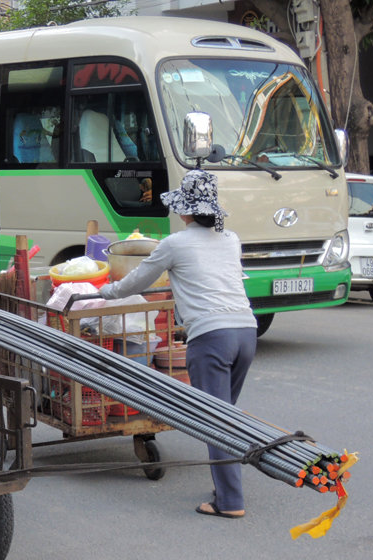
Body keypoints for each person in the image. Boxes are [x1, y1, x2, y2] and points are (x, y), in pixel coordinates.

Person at [98, 170, 258, 519]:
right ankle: (225, 487)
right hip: (246, 332)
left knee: (215, 421)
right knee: (225, 414)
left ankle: (230, 501)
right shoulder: (230, 239)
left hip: (212, 338)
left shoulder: (175, 244)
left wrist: (104, 292)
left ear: (185, 211)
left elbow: (135, 281)